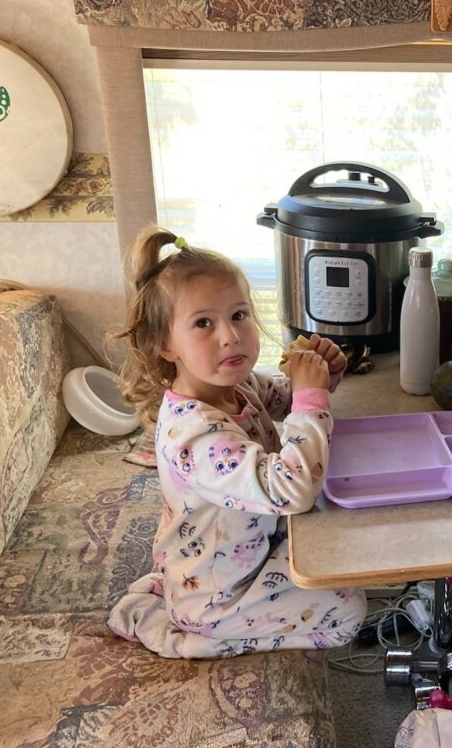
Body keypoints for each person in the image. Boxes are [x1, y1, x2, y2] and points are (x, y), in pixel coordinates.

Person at [106, 226, 367, 658]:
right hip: (217, 597)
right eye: (203, 323)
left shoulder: (234, 385)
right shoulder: (194, 437)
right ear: (164, 344)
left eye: (239, 315)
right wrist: (311, 399)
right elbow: (293, 490)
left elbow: (281, 397)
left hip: (248, 553)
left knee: (342, 548)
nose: (229, 335)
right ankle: (196, 639)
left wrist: (322, 376)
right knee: (348, 608)